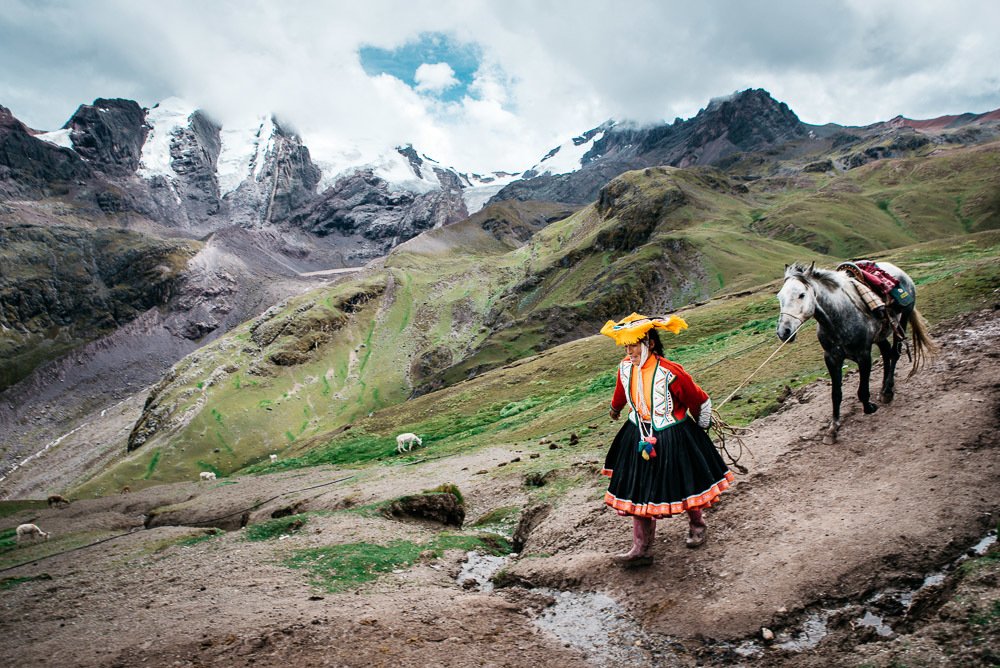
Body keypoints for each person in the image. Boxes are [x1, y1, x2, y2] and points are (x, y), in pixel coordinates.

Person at [599, 312, 734, 566]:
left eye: (634, 345)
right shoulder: (625, 368)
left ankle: (697, 525)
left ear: (649, 343)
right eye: (627, 345)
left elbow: (699, 399)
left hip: (672, 433)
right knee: (638, 487)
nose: (630, 351)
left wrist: (702, 426)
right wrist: (615, 409)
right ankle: (641, 548)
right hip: (637, 432)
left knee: (685, 480)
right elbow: (621, 392)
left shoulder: (671, 372)